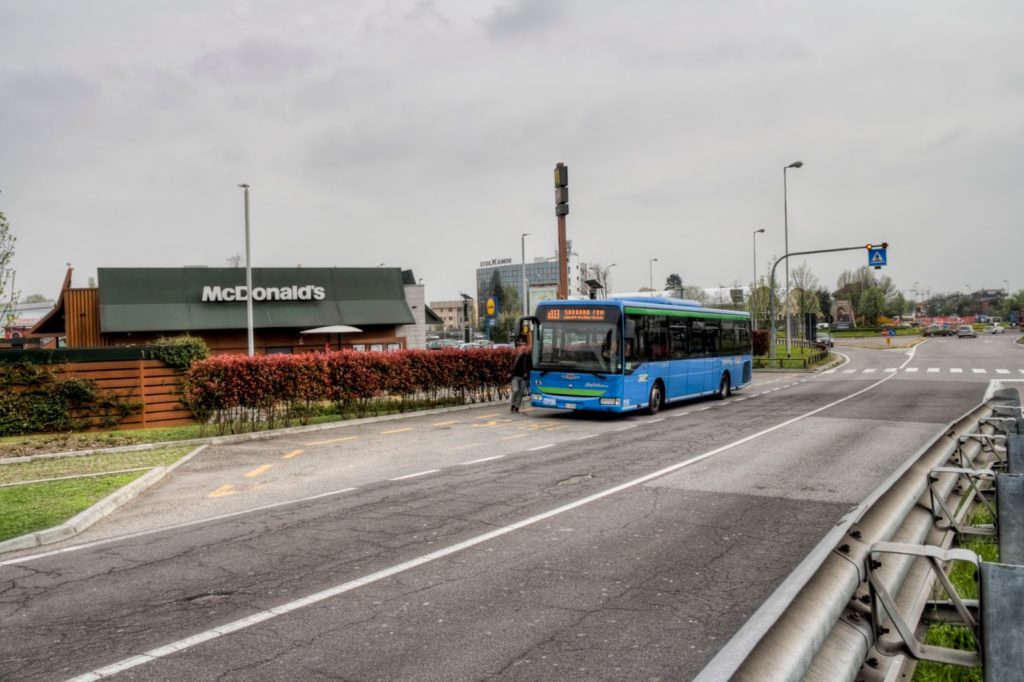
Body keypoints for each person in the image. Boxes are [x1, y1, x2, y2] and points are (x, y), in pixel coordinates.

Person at [509, 339, 532, 413]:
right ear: (519, 349)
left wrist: (527, 374)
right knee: (515, 390)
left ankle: (517, 407)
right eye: (522, 349)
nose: (523, 350)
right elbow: (512, 366)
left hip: (523, 378)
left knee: (521, 392)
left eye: (525, 349)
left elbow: (530, 366)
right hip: (515, 377)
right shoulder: (516, 357)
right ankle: (512, 404)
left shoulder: (528, 357)